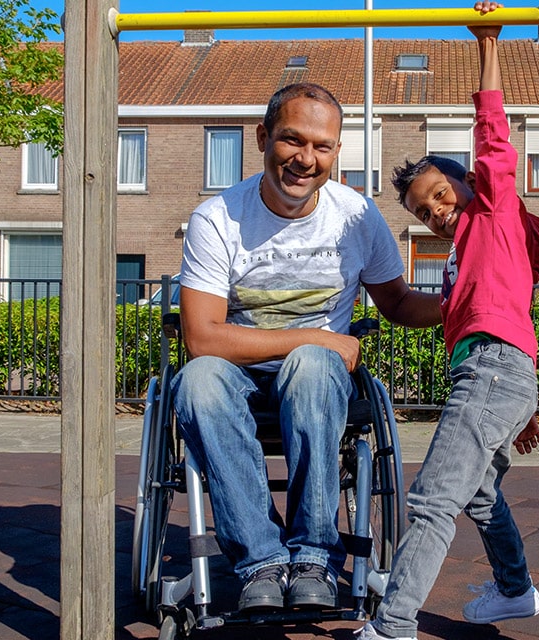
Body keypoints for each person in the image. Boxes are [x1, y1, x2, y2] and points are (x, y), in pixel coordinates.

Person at [171, 81, 440, 613]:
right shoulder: (217, 218)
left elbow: (400, 303)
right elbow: (202, 336)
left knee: (313, 365)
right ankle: (261, 563)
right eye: (293, 141)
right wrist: (313, 335)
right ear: (262, 137)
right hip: (233, 377)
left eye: (322, 146)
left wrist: (472, 305)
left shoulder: (356, 215)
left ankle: (315, 556)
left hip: (316, 378)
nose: (306, 159)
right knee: (197, 380)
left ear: (338, 151)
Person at [355, 3, 539, 638]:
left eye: (442, 195)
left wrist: (489, 43)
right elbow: (507, 312)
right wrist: (526, 405)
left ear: (469, 186)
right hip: (499, 375)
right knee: (479, 495)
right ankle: (515, 589)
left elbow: (494, 139)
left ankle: (394, 624)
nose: (434, 211)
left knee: (433, 498)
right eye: (422, 209)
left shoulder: (490, 212)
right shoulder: (467, 253)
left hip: (493, 373)